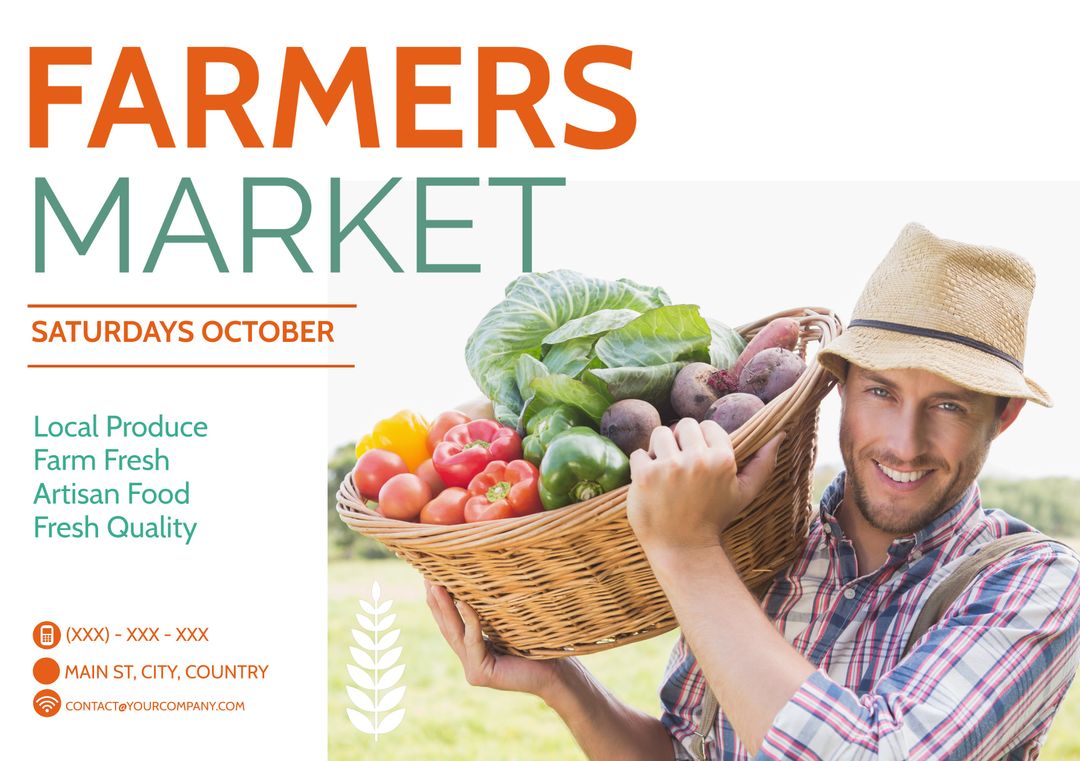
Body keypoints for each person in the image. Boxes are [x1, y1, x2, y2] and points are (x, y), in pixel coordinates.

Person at [425, 223, 1080, 760]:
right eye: (881, 392)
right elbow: (685, 752)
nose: (904, 443)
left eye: (948, 406)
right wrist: (561, 680)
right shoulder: (763, 545)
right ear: (840, 383)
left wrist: (686, 550)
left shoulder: (1034, 581)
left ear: (1003, 417)